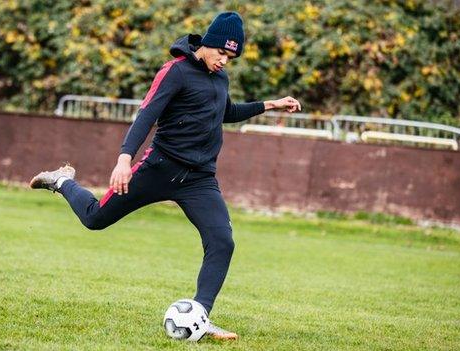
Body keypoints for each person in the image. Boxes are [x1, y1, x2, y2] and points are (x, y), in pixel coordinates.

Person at [30, 12, 301, 340]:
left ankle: (200, 315)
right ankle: (62, 180)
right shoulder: (175, 72)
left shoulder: (220, 79)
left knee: (222, 242)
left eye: (231, 57)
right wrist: (123, 160)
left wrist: (271, 104)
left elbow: (225, 112)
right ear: (208, 45)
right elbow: (146, 115)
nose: (224, 61)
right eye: (221, 53)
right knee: (94, 219)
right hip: (159, 168)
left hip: (200, 179)